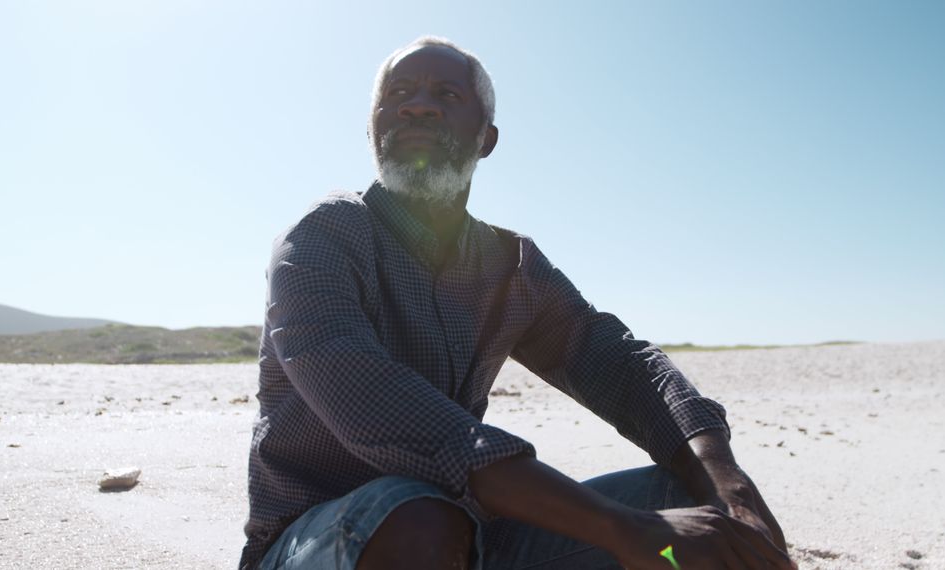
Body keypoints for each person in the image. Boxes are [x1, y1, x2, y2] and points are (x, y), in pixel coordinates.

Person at [241, 36, 795, 570]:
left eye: (448, 96)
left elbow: (624, 368)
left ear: (486, 138)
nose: (419, 108)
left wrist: (730, 487)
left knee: (693, 502)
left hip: (467, 535)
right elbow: (377, 402)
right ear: (372, 127)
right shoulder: (323, 237)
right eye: (399, 93)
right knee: (415, 515)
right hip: (316, 541)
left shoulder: (511, 266)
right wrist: (620, 530)